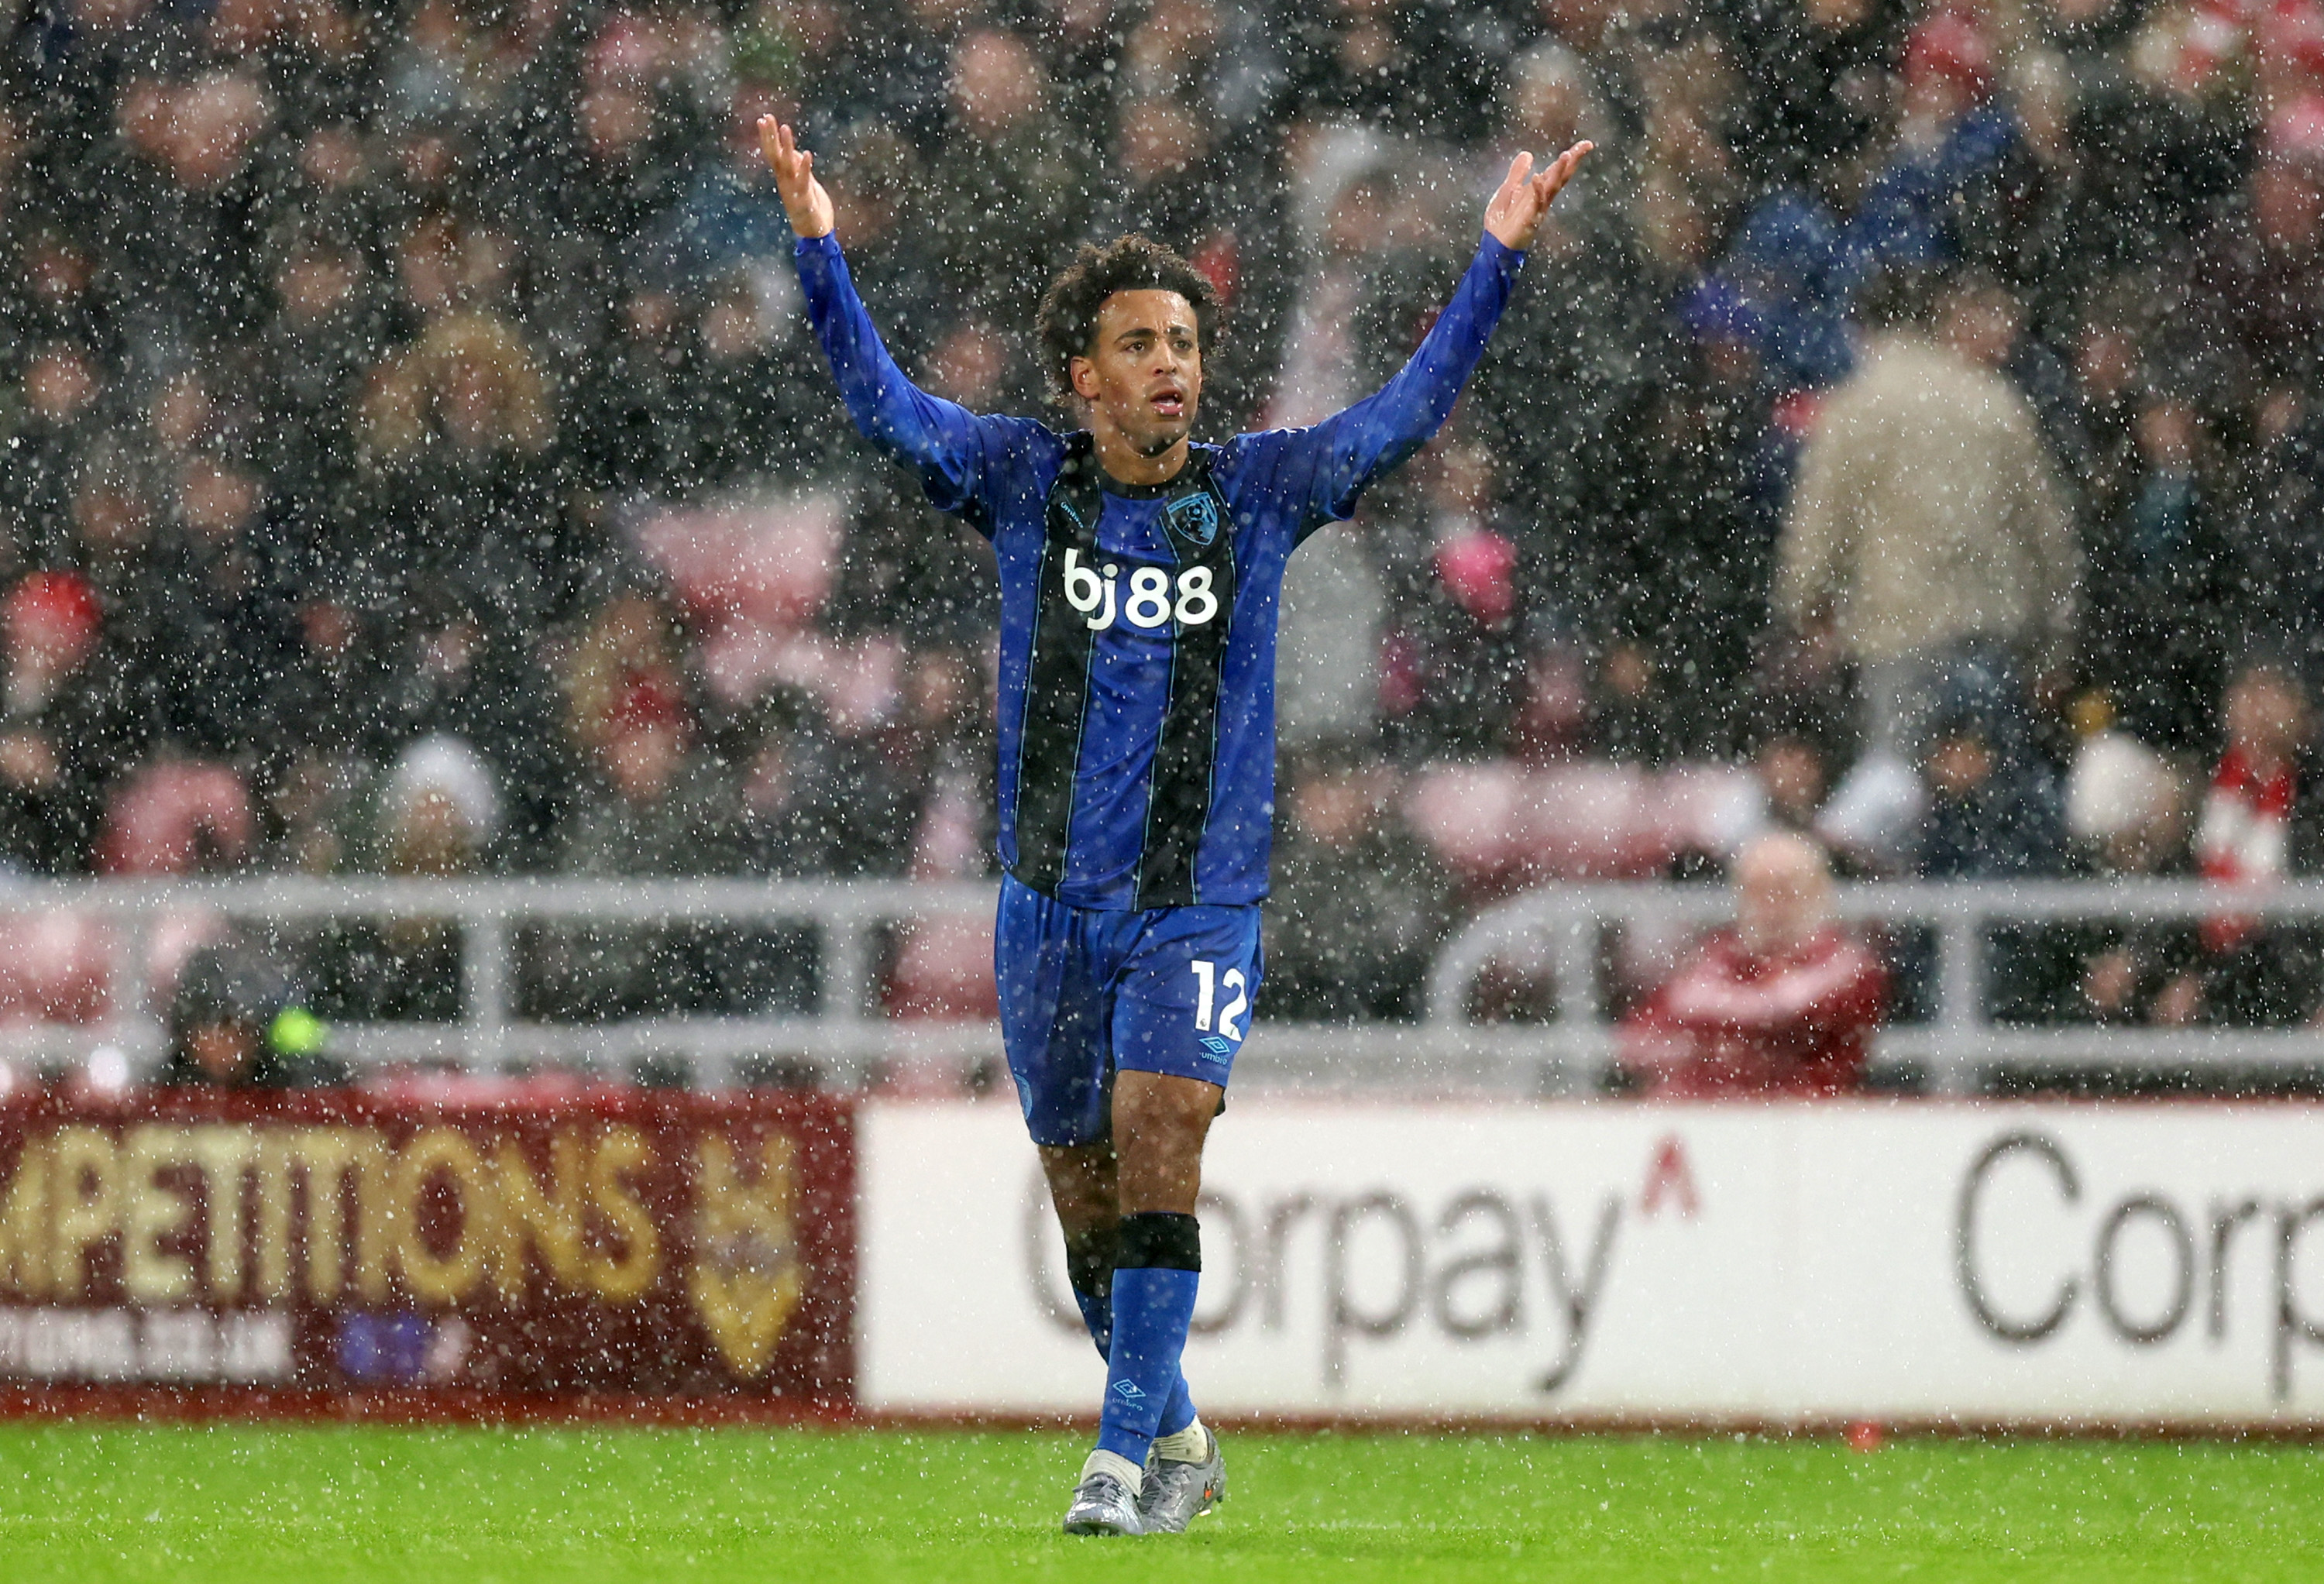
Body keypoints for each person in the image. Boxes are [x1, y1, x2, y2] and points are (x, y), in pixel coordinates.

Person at [758, 114, 1590, 1535]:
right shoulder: (1028, 484)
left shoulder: (1259, 493)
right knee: (1085, 1190)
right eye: (1140, 345)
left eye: (1186, 346)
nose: (1170, 368)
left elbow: (1402, 418)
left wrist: (1492, 263)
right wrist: (819, 250)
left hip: (1200, 899)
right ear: (1082, 378)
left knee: (1162, 1127)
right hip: (1046, 904)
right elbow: (887, 409)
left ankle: (1114, 1458)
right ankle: (1180, 1434)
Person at [1619, 833, 1888, 1098]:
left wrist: (1711, 1040)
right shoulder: (1718, 956)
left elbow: (1786, 1013)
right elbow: (1639, 1040)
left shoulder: (1847, 966)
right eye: (1757, 890)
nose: (1771, 905)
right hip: (1719, 1116)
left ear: (1819, 893)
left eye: (1785, 889)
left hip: (1809, 1120)